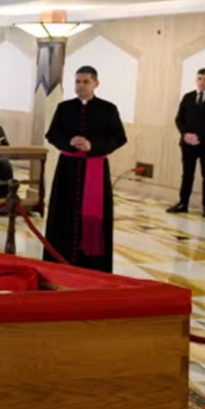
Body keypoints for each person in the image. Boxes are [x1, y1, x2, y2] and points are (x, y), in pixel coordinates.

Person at [44, 65, 127, 272]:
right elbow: (52, 134)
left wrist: (94, 146)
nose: (81, 86)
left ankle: (92, 266)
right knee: (64, 215)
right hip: (67, 171)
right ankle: (59, 263)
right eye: (78, 82)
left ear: (96, 84)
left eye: (86, 82)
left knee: (94, 219)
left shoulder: (108, 109)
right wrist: (68, 141)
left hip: (95, 170)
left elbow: (119, 137)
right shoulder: (64, 108)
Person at [168, 68, 205, 218]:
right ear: (196, 80)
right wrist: (185, 134)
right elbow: (179, 119)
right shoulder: (188, 97)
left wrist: (198, 136)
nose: (202, 82)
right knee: (187, 173)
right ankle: (183, 203)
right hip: (187, 143)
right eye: (200, 78)